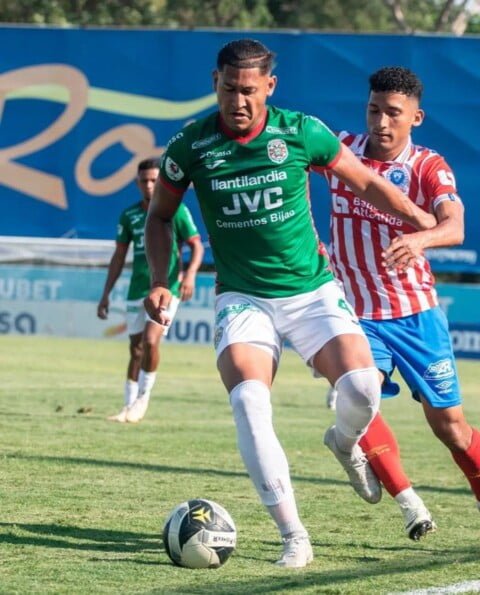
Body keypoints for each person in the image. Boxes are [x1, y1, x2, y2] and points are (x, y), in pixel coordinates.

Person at [143, 40, 436, 568]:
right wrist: (162, 281)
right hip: (242, 297)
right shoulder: (189, 145)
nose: (238, 101)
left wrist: (420, 220)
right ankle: (294, 535)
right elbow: (160, 216)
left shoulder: (302, 131)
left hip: (312, 292)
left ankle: (344, 442)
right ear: (215, 82)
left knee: (364, 387)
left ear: (269, 88)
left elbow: (366, 180)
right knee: (249, 404)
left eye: (249, 91)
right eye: (229, 89)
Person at [321, 66, 480, 539]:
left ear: (416, 117)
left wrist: (422, 240)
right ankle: (411, 504)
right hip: (356, 313)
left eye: (393, 113)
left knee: (451, 428)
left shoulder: (429, 166)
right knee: (358, 395)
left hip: (417, 315)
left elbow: (455, 227)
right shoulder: (340, 150)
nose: (381, 122)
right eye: (374, 110)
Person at [97, 157, 204, 423]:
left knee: (150, 340)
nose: (149, 185)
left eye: (155, 180)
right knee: (135, 349)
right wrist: (106, 293)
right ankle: (128, 404)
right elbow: (119, 256)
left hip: (167, 288)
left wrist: (190, 276)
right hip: (137, 290)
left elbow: (197, 245)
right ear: (137, 183)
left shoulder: (176, 211)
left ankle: (143, 400)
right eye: (144, 180)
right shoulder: (129, 215)